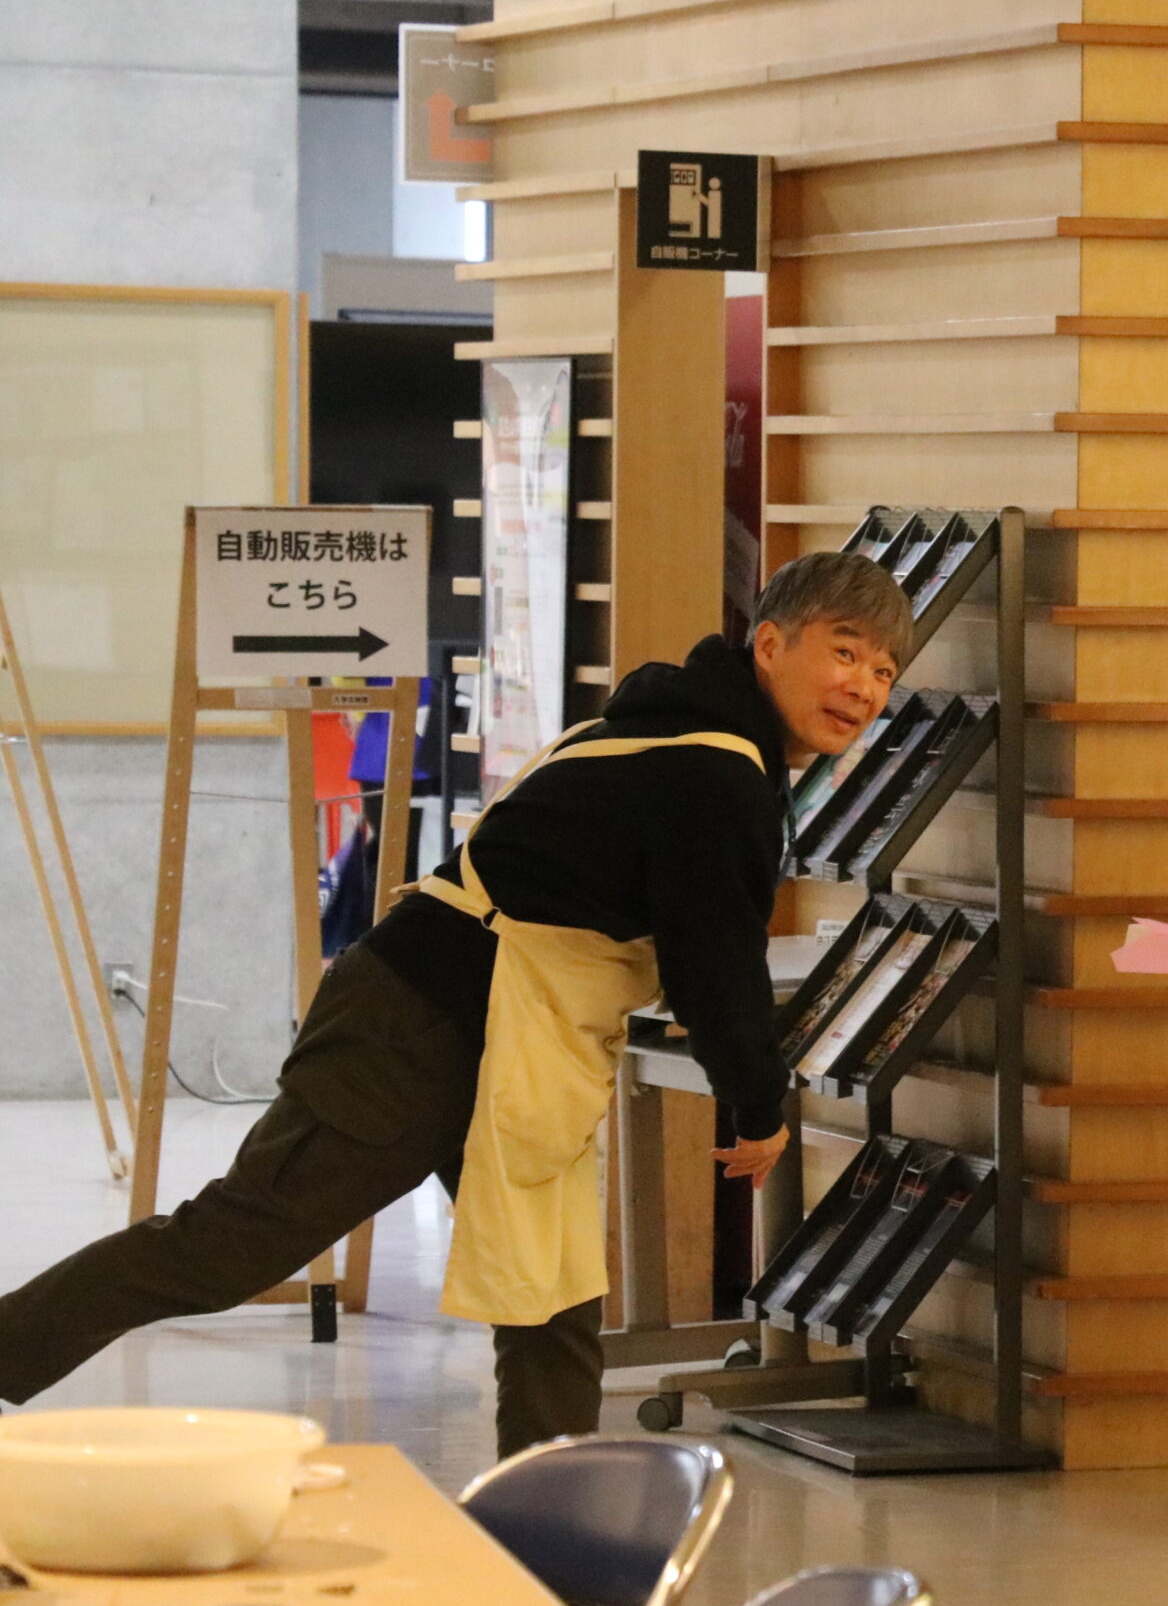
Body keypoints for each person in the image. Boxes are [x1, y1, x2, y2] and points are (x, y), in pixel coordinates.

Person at [0, 553, 910, 1459]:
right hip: (414, 1025)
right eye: (845, 652)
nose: (863, 687)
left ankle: (547, 1520)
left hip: (512, 1038)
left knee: (550, 1293)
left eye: (882, 670)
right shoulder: (713, 767)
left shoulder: (689, 732)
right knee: (228, 1246)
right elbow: (714, 960)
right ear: (769, 644)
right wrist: (757, 1102)